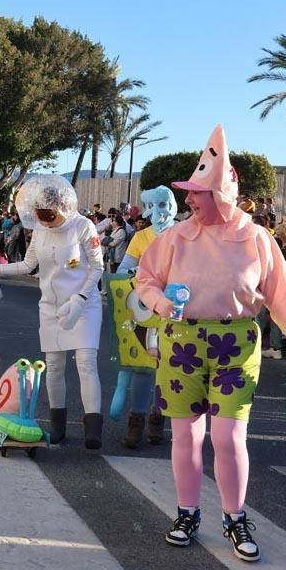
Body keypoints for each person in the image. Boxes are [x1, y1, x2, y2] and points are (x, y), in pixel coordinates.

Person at [136, 125, 286, 563]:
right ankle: (187, 513)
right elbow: (145, 279)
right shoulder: (174, 237)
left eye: (195, 193)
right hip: (181, 340)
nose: (187, 200)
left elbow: (282, 298)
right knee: (184, 434)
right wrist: (160, 302)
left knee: (228, 436)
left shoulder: (256, 238)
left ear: (220, 194)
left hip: (236, 343)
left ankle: (234, 516)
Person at [0, 175, 105, 449]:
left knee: (85, 363)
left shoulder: (84, 227)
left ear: (62, 207)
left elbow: (98, 267)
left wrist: (81, 297)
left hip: (84, 305)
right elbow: (28, 265)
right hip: (51, 306)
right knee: (54, 366)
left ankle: (93, 426)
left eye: (50, 217)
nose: (45, 223)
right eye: (41, 218)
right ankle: (58, 425)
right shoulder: (41, 230)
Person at [113, 185, 178, 448]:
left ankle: (157, 419)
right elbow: (124, 268)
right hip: (144, 310)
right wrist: (138, 271)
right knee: (142, 366)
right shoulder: (141, 237)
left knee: (167, 368)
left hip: (175, 312)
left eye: (163, 205)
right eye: (153, 207)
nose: (159, 212)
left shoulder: (184, 234)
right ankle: (136, 421)